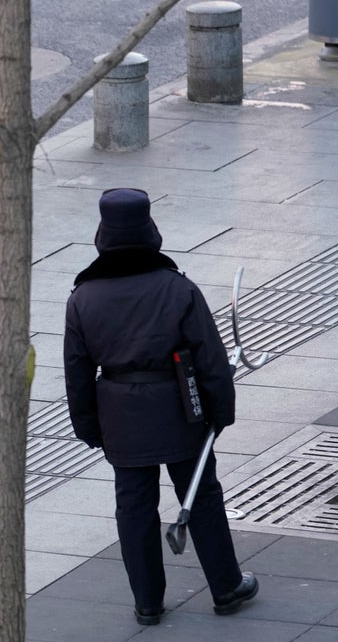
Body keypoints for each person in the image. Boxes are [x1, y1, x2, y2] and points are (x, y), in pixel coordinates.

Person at [63, 188, 258, 626]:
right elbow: (210, 359)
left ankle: (148, 602)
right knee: (201, 496)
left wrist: (88, 426)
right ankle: (226, 587)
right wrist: (221, 411)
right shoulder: (178, 288)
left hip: (120, 415)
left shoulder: (83, 297)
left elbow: (77, 371)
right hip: (181, 409)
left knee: (134, 507)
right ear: (149, 230)